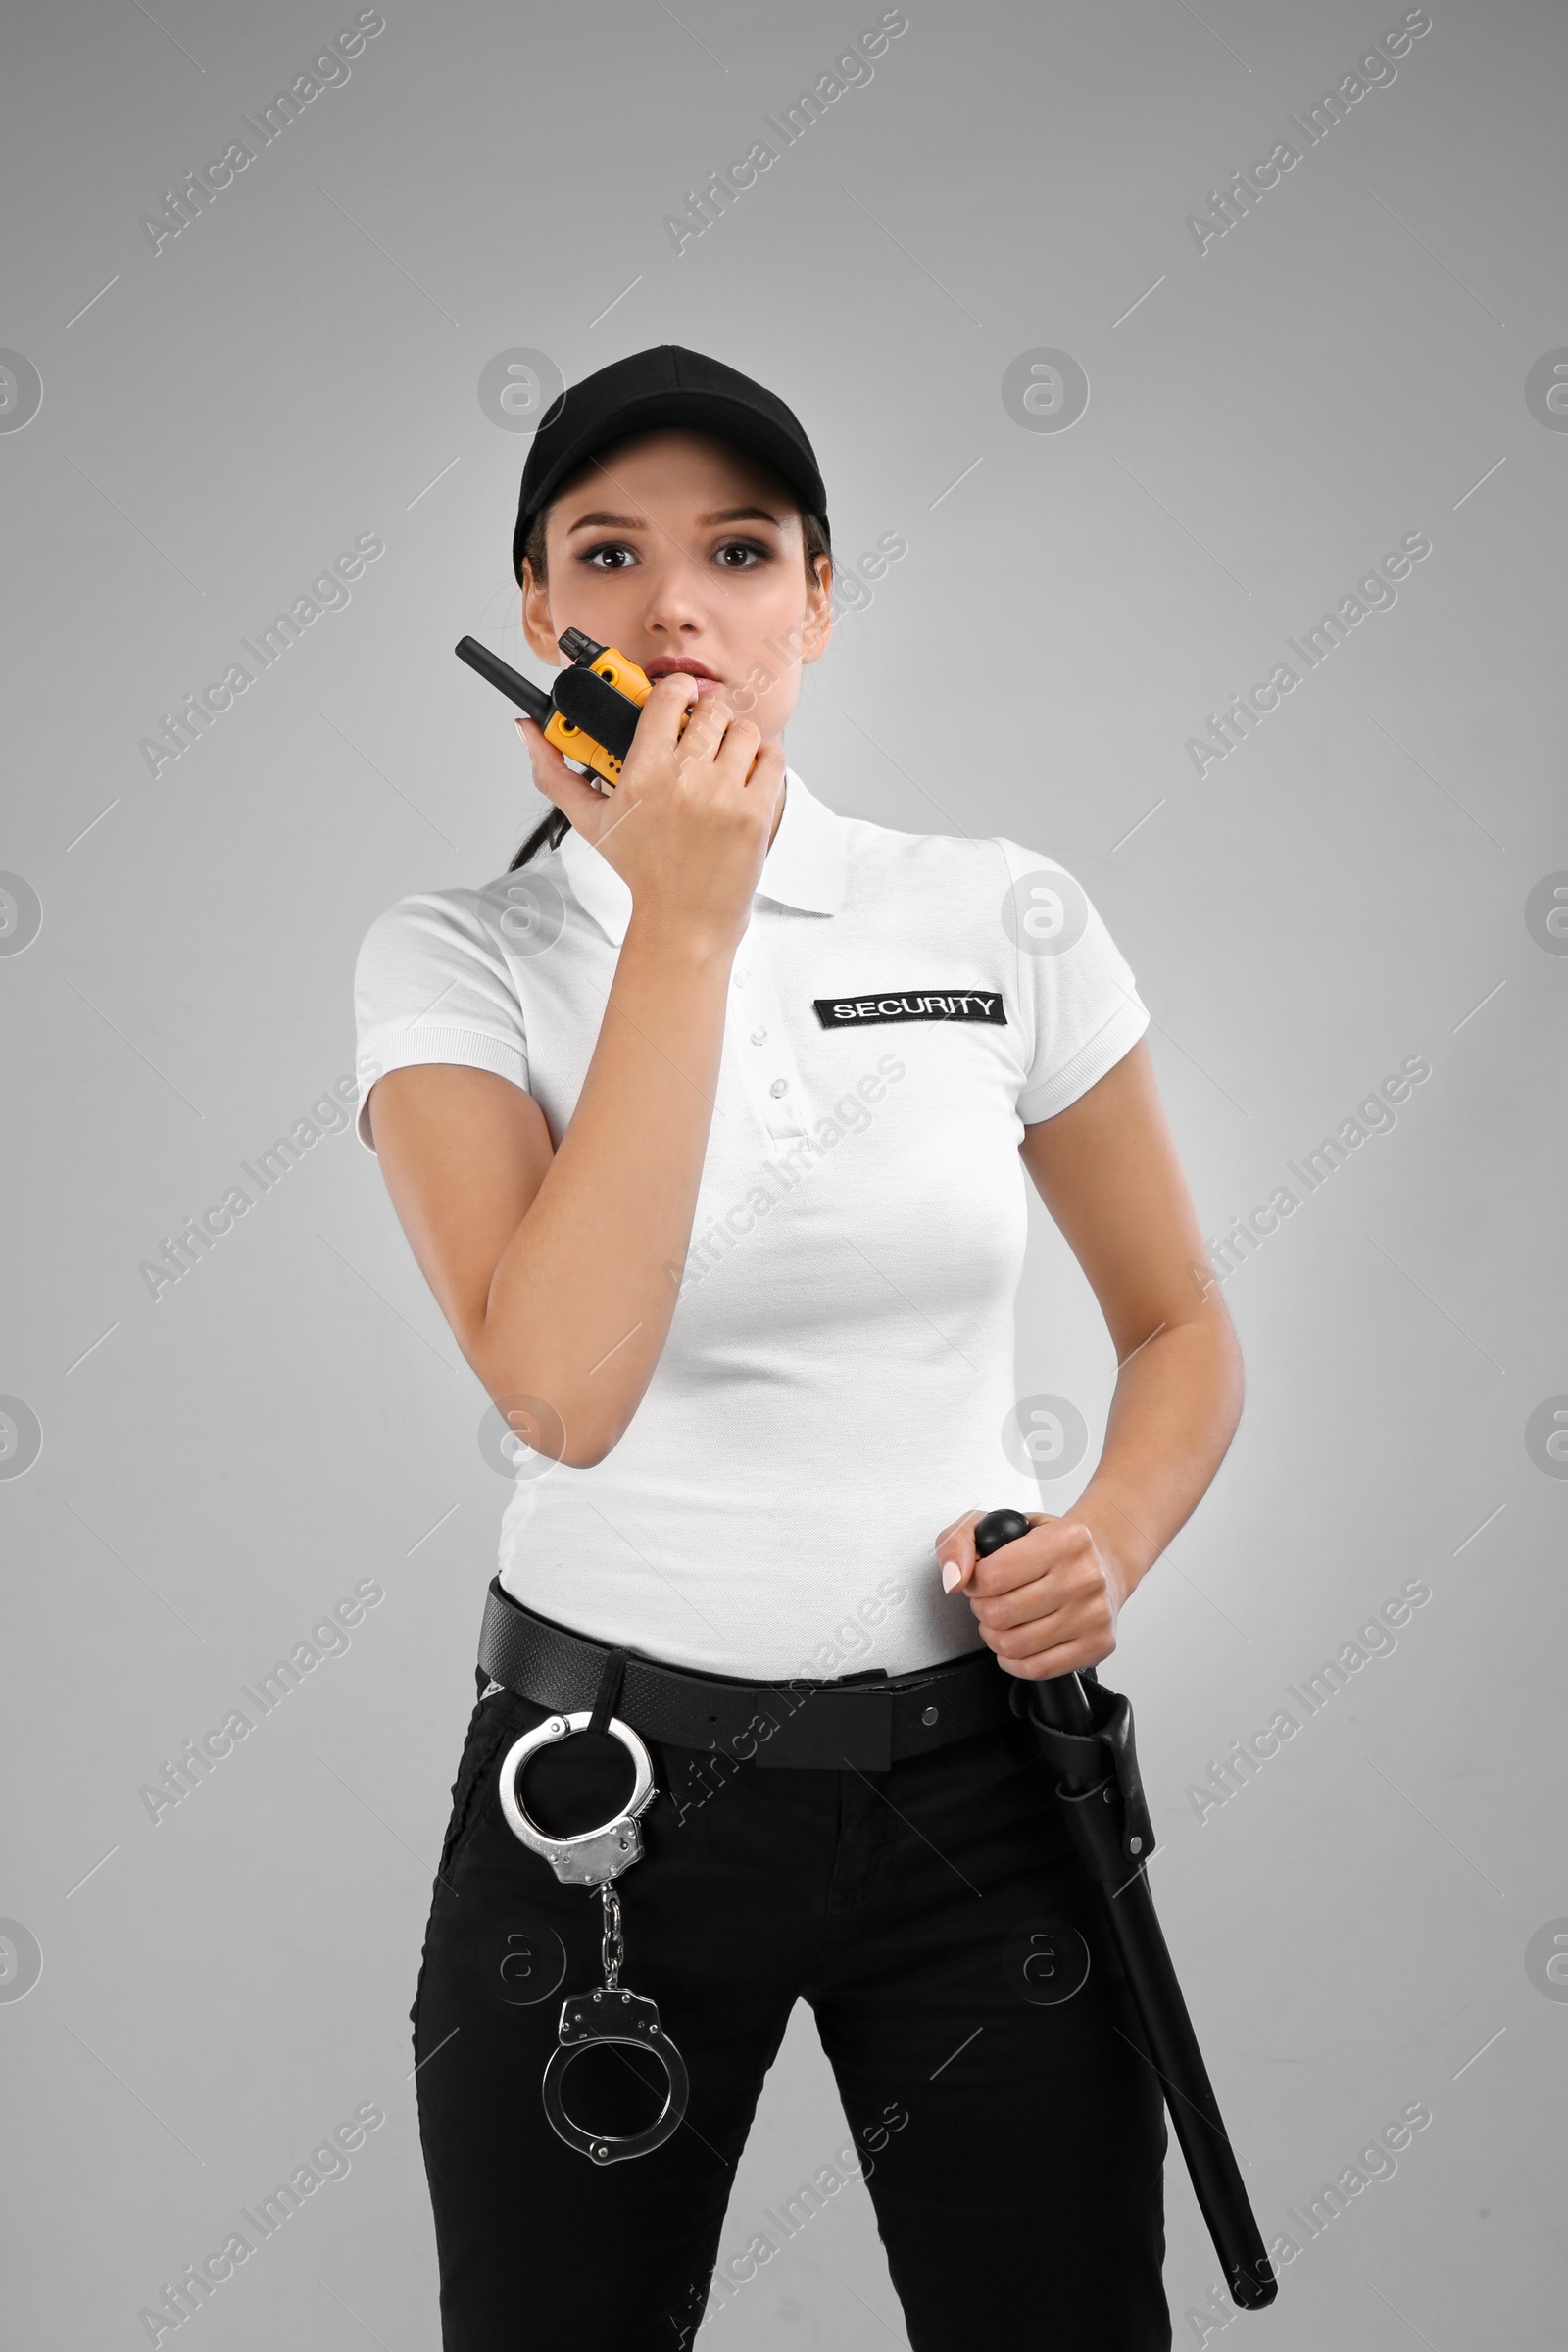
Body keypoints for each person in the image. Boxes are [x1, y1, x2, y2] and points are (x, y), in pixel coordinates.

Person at [352, 344, 1243, 2351]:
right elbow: (558, 1388)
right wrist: (681, 918)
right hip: (602, 1809)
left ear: (816, 602)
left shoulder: (993, 912)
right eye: (609, 554)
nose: (675, 609)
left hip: (979, 1798)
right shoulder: (452, 960)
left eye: (738, 551)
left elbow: (1178, 1326)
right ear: (538, 622)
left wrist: (1113, 1531)